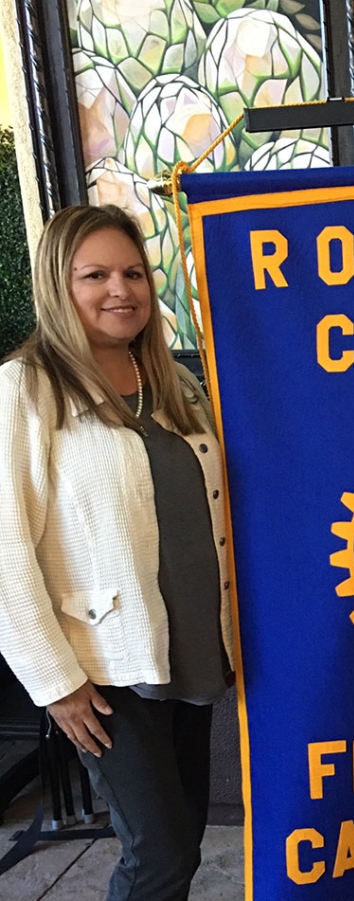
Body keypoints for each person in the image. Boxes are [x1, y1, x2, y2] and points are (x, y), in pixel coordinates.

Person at [0, 204, 234, 900]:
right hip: (102, 676)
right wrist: (57, 684)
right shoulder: (26, 388)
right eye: (94, 274)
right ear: (56, 284)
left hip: (189, 652)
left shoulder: (171, 384)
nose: (120, 290)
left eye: (133, 273)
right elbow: (6, 546)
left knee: (183, 839)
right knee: (157, 857)